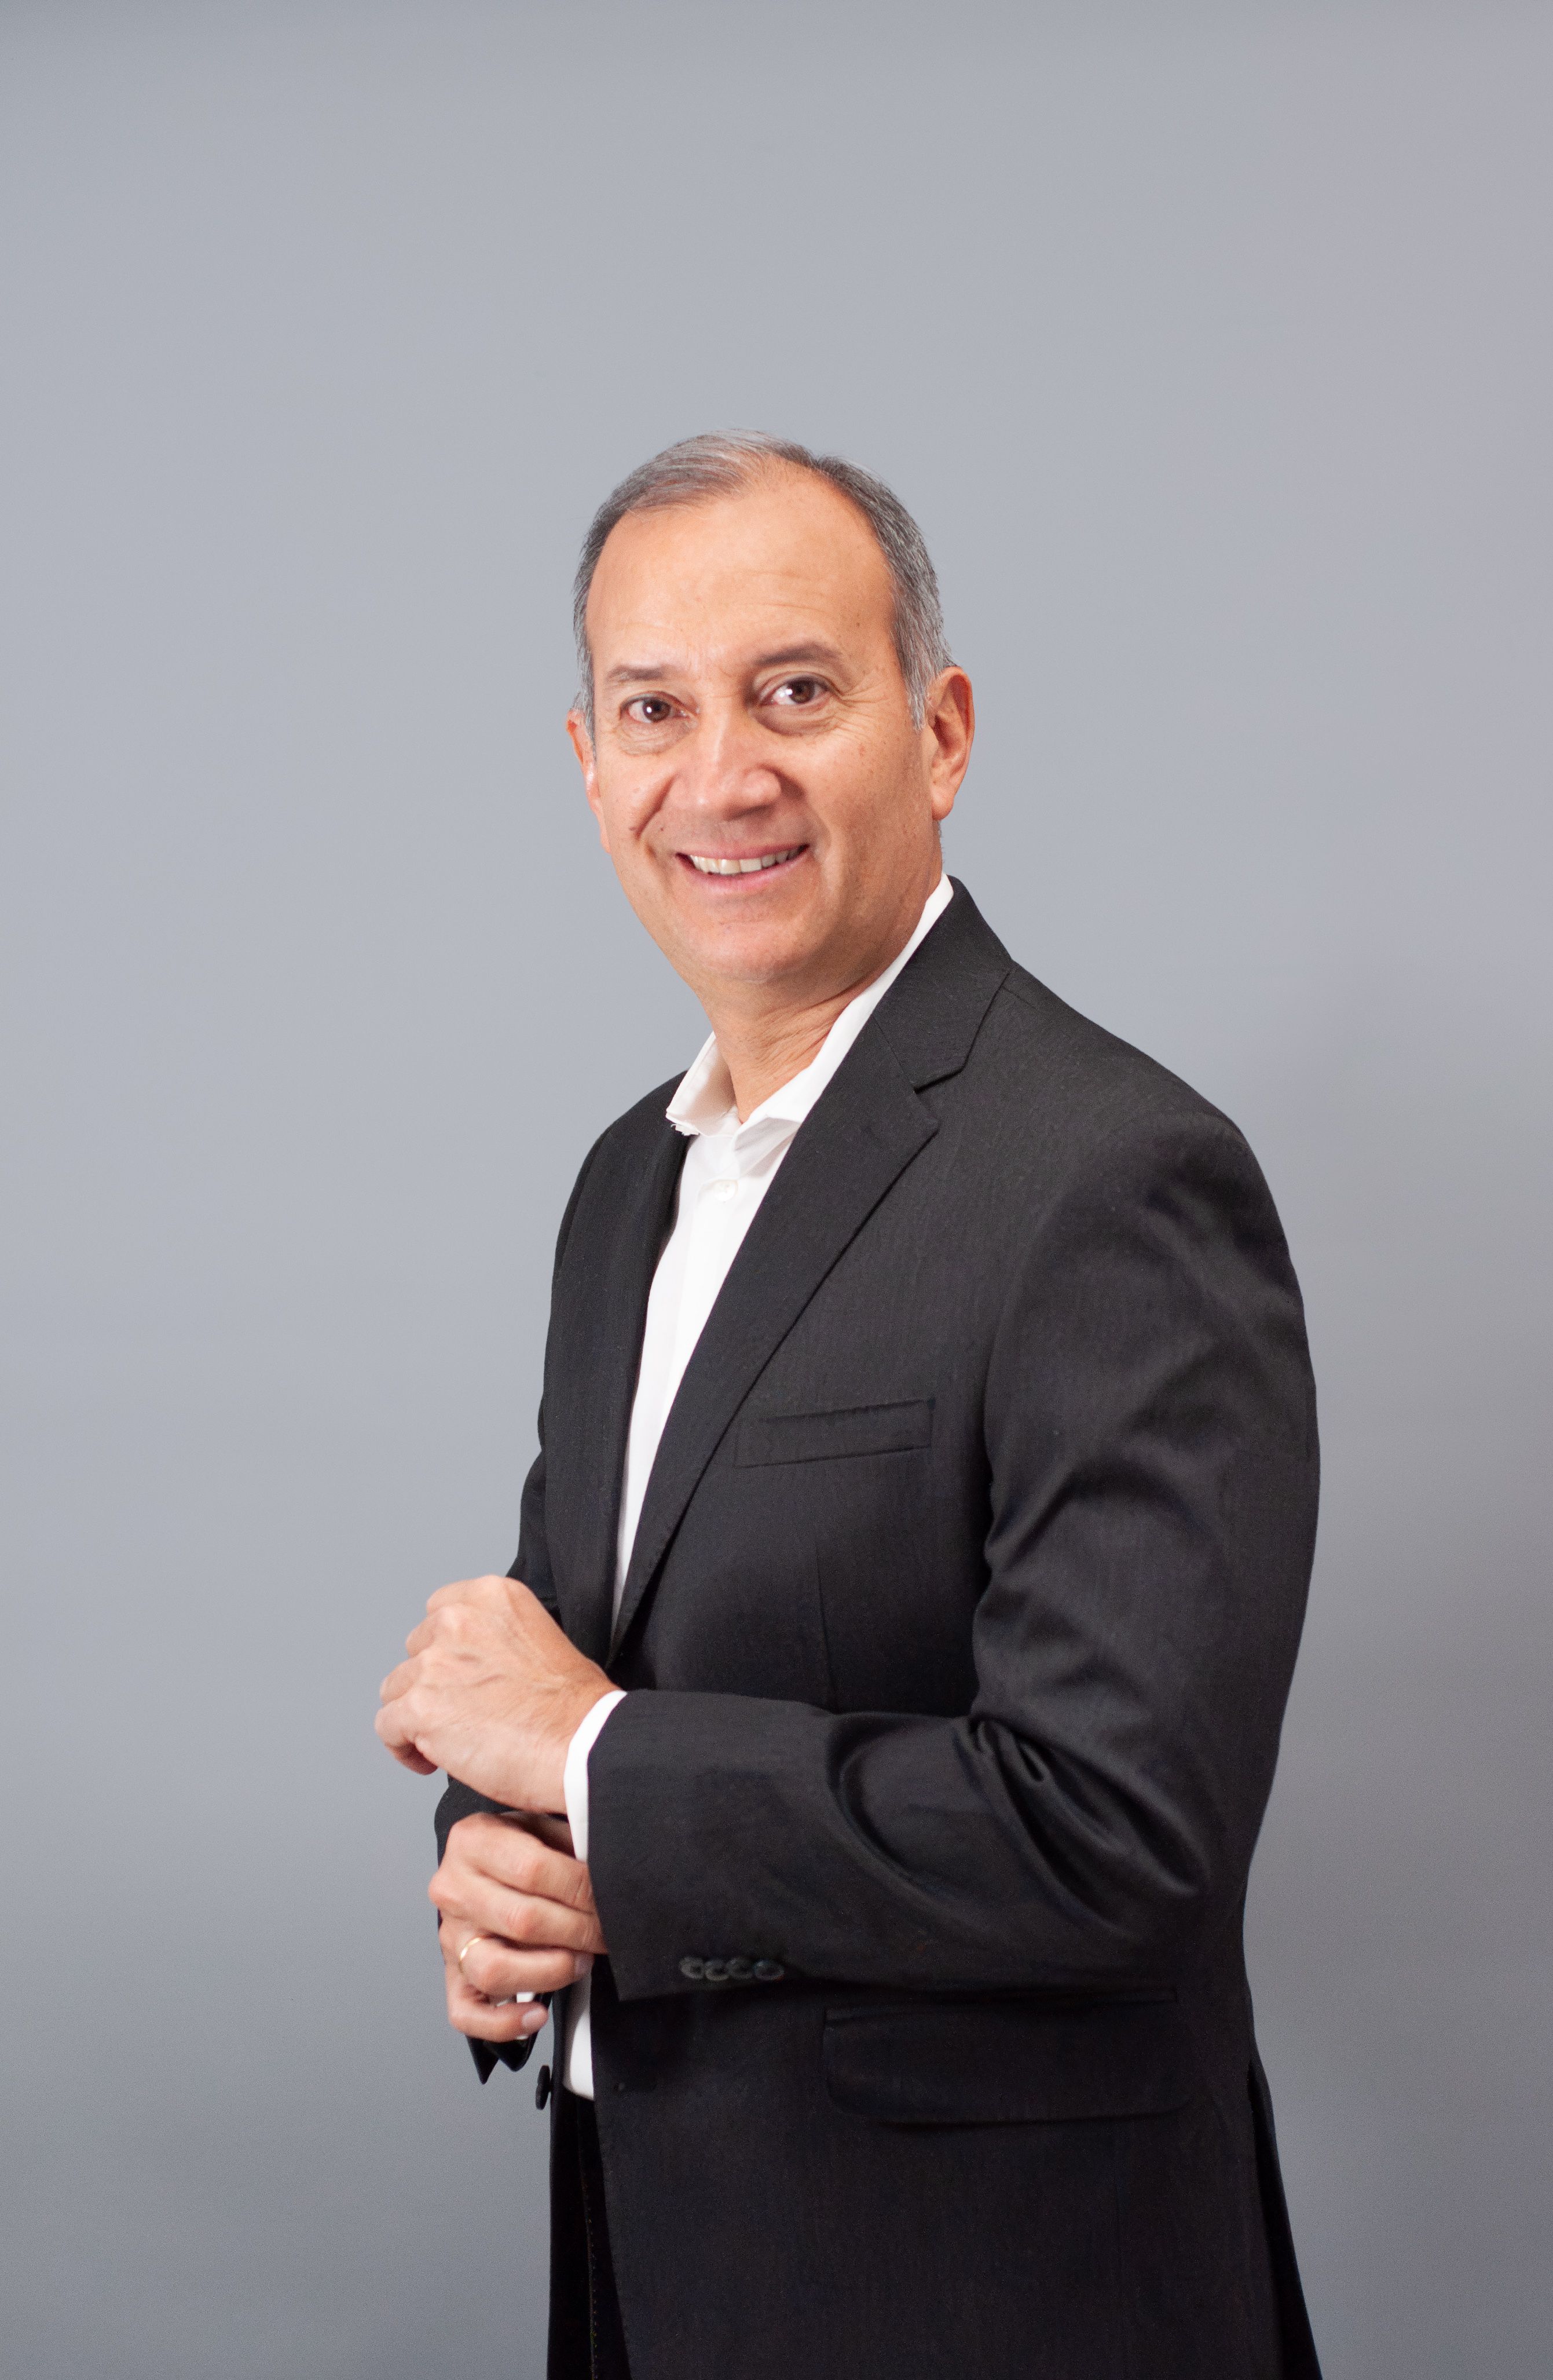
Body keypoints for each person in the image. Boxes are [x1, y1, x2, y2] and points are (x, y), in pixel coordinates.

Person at [375, 431, 1323, 2380]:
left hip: (997, 2311)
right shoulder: (624, 1188)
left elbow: (1115, 1836)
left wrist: (586, 1758)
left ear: (940, 732)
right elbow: (593, 1680)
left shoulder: (1110, 1176)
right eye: (654, 709)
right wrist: (498, 1862)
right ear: (588, 765)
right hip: (658, 2279)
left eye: (795, 691)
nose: (720, 775)